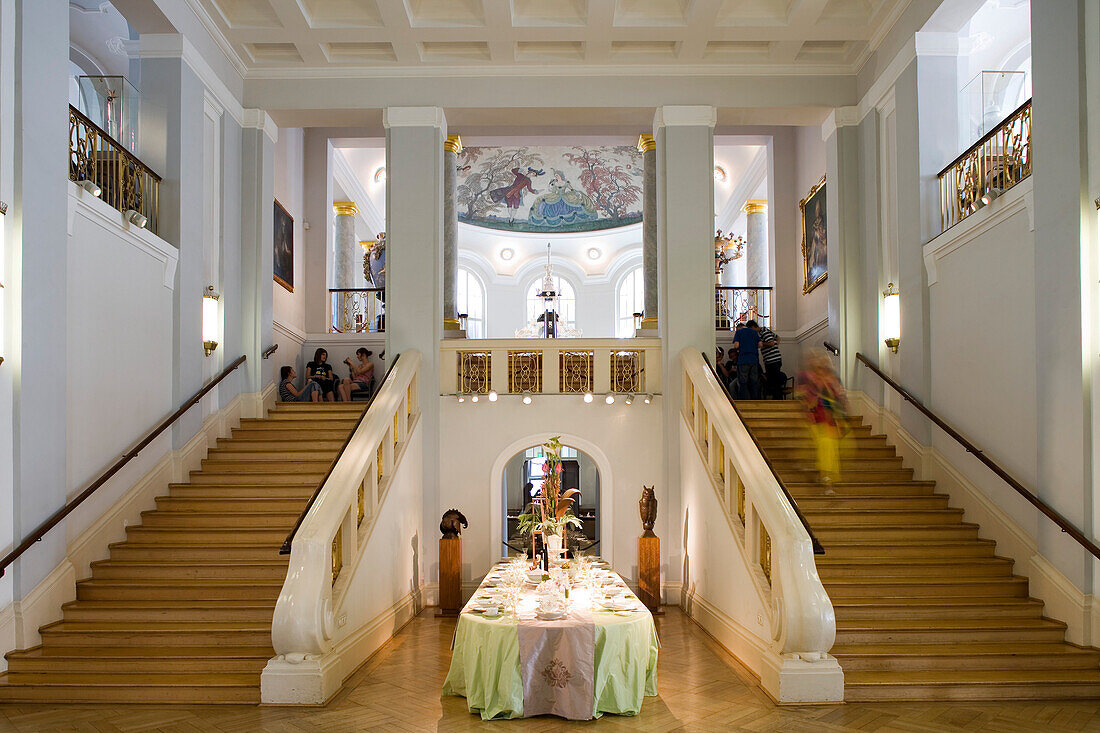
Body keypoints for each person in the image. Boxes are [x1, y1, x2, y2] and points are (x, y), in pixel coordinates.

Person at [795, 350, 848, 493]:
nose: (819, 365)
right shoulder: (810, 379)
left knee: (828, 451)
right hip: (817, 419)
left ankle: (826, 479)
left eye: (822, 363)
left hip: (829, 421)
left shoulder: (831, 380)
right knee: (824, 450)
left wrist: (841, 416)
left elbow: (840, 397)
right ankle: (825, 479)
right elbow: (804, 397)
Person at [731, 320, 763, 400]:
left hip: (743, 360)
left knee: (743, 382)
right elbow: (760, 344)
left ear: (738, 328)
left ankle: (744, 401)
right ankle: (755, 401)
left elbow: (736, 345)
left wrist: (742, 346)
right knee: (754, 382)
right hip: (754, 360)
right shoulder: (754, 332)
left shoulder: (739, 332)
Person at [758, 324, 784, 399]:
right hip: (770, 360)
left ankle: (778, 399)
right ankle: (776, 398)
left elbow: (772, 343)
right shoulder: (765, 331)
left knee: (775, 381)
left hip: (773, 360)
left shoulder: (764, 332)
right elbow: (777, 338)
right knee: (772, 381)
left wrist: (762, 344)